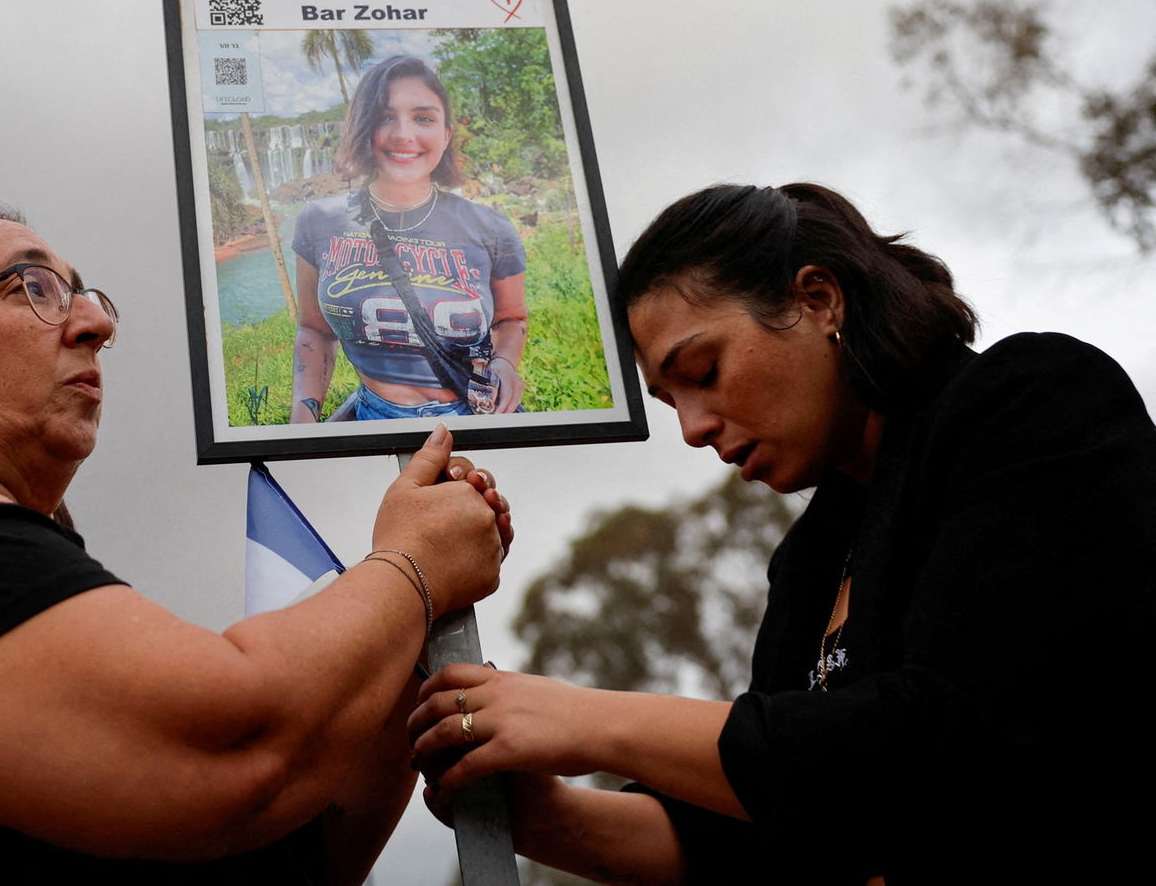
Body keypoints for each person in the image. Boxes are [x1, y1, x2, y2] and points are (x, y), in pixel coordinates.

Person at [0, 194, 515, 885]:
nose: (94, 323)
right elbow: (237, 745)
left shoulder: (16, 569)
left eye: (88, 296)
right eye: (33, 288)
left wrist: (406, 645)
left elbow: (292, 856)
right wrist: (408, 569)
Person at [409, 183, 1156, 883]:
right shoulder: (810, 558)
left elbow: (951, 749)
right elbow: (783, 829)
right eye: (671, 402)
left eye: (704, 370)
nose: (695, 429)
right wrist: (551, 817)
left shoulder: (1032, 403)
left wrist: (584, 719)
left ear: (818, 298)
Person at [290, 55, 528, 421]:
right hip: (373, 416)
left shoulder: (491, 228)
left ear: (446, 134)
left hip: (475, 416)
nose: (404, 134)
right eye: (386, 117)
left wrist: (505, 362)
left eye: (423, 118)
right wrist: (303, 419)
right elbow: (314, 330)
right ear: (363, 130)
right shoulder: (318, 221)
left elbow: (511, 319)